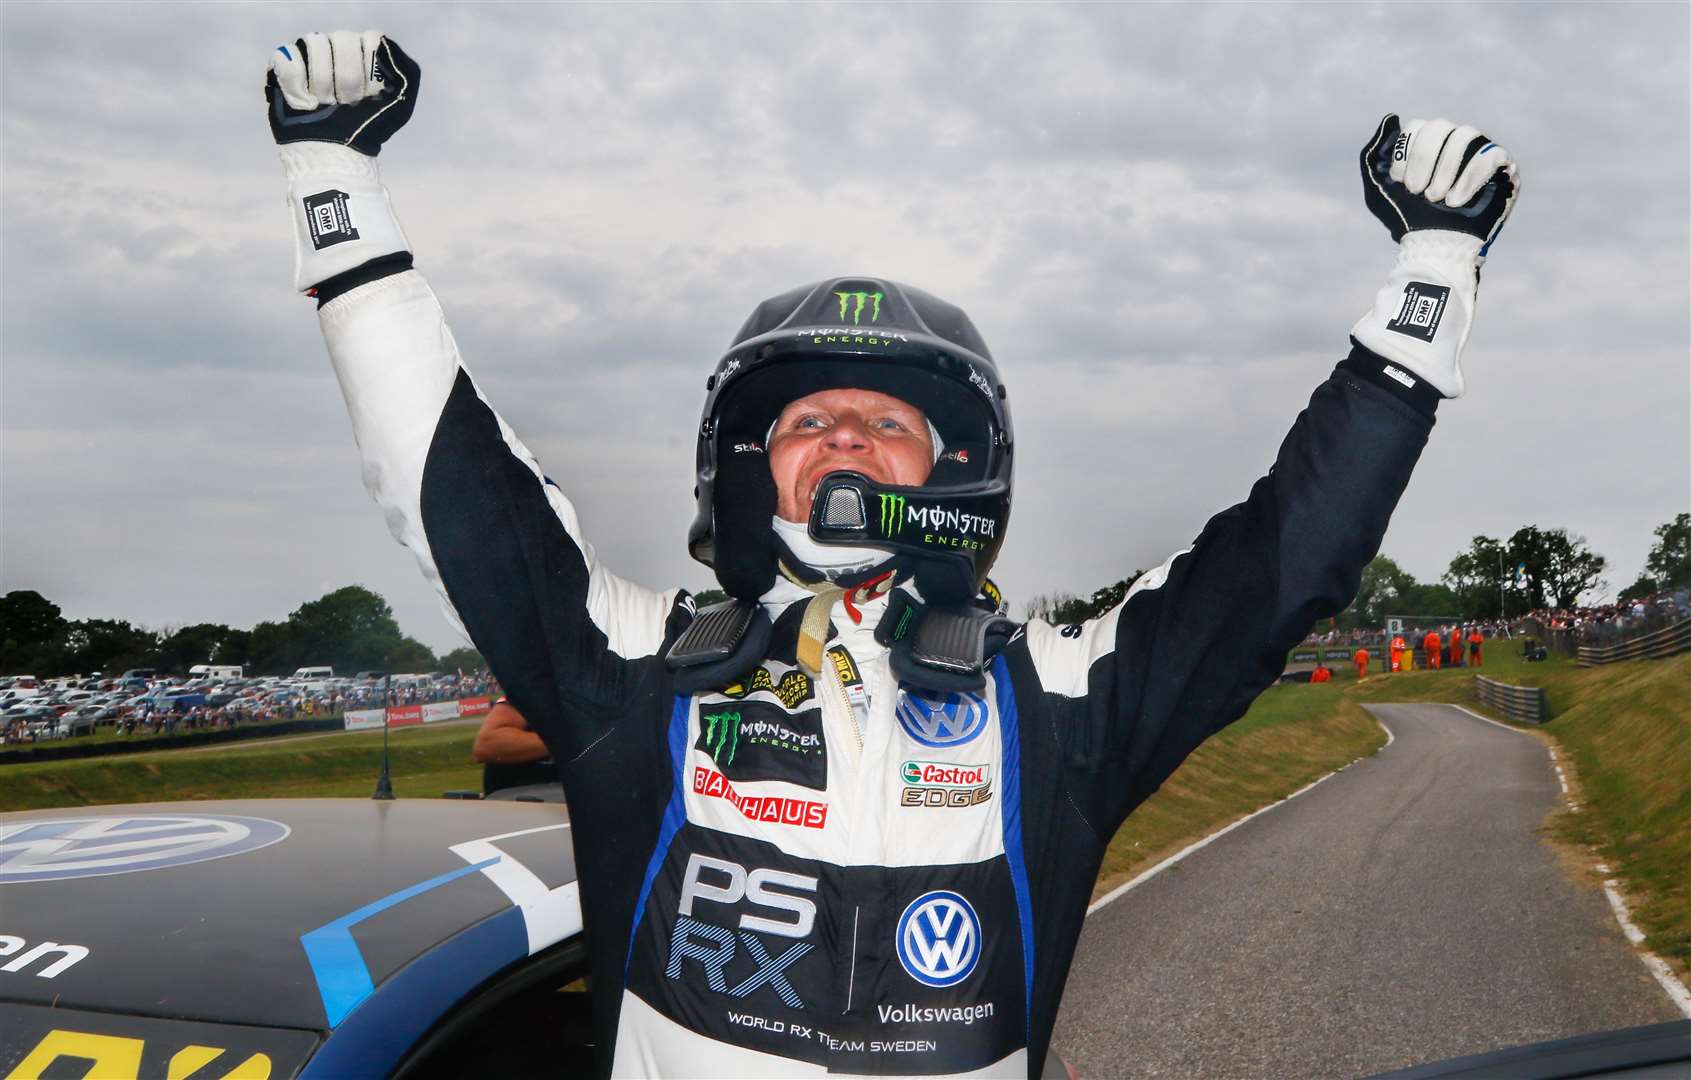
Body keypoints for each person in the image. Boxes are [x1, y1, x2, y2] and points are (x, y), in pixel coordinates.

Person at [264, 32, 1518, 1079]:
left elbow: (1277, 564)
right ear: (752, 470)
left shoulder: (1057, 694)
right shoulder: (637, 666)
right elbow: (456, 492)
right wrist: (340, 202)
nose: (845, 438)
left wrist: (1421, 295)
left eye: (886, 422)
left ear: (954, 467)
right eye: (807, 420)